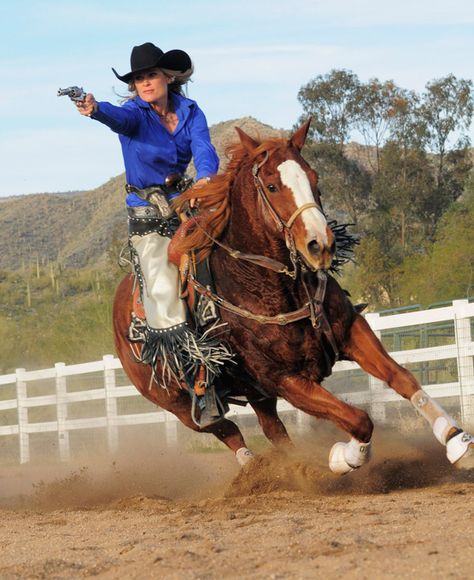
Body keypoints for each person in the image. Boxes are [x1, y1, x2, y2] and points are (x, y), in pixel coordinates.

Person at [75, 42, 232, 412]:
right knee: (163, 291)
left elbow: (204, 149)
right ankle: (196, 380)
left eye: (151, 75)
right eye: (139, 79)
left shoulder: (191, 112)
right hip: (148, 216)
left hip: (186, 204)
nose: (145, 83)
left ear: (168, 77)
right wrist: (96, 109)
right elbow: (117, 118)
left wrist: (206, 178)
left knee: (233, 248)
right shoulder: (134, 115)